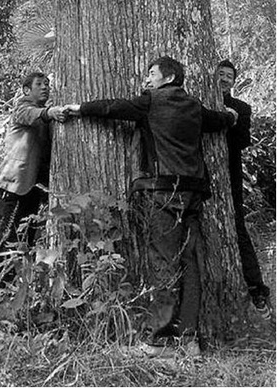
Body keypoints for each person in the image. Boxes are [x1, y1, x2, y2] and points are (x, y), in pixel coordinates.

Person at [61, 56, 237, 356]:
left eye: (152, 74)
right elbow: (217, 120)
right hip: (193, 195)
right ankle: (189, 340)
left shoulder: (150, 101)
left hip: (163, 192)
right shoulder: (194, 105)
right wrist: (231, 117)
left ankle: (159, 340)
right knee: (190, 265)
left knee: (163, 263)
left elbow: (112, 107)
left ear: (169, 78)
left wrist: (78, 108)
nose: (146, 79)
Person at [217, 59, 271, 320]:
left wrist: (228, 117)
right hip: (195, 174)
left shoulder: (241, 107)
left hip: (230, 172)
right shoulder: (194, 102)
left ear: (234, 82)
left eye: (230, 76)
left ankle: (257, 289)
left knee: (237, 227)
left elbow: (241, 141)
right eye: (221, 73)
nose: (225, 78)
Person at [0, 72, 65, 255]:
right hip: (11, 187)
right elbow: (30, 115)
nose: (45, 87)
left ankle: (14, 282)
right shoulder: (23, 107)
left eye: (47, 84)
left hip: (31, 190)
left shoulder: (46, 116)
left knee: (25, 240)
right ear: (26, 90)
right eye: (39, 84)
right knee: (3, 241)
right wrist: (49, 112)